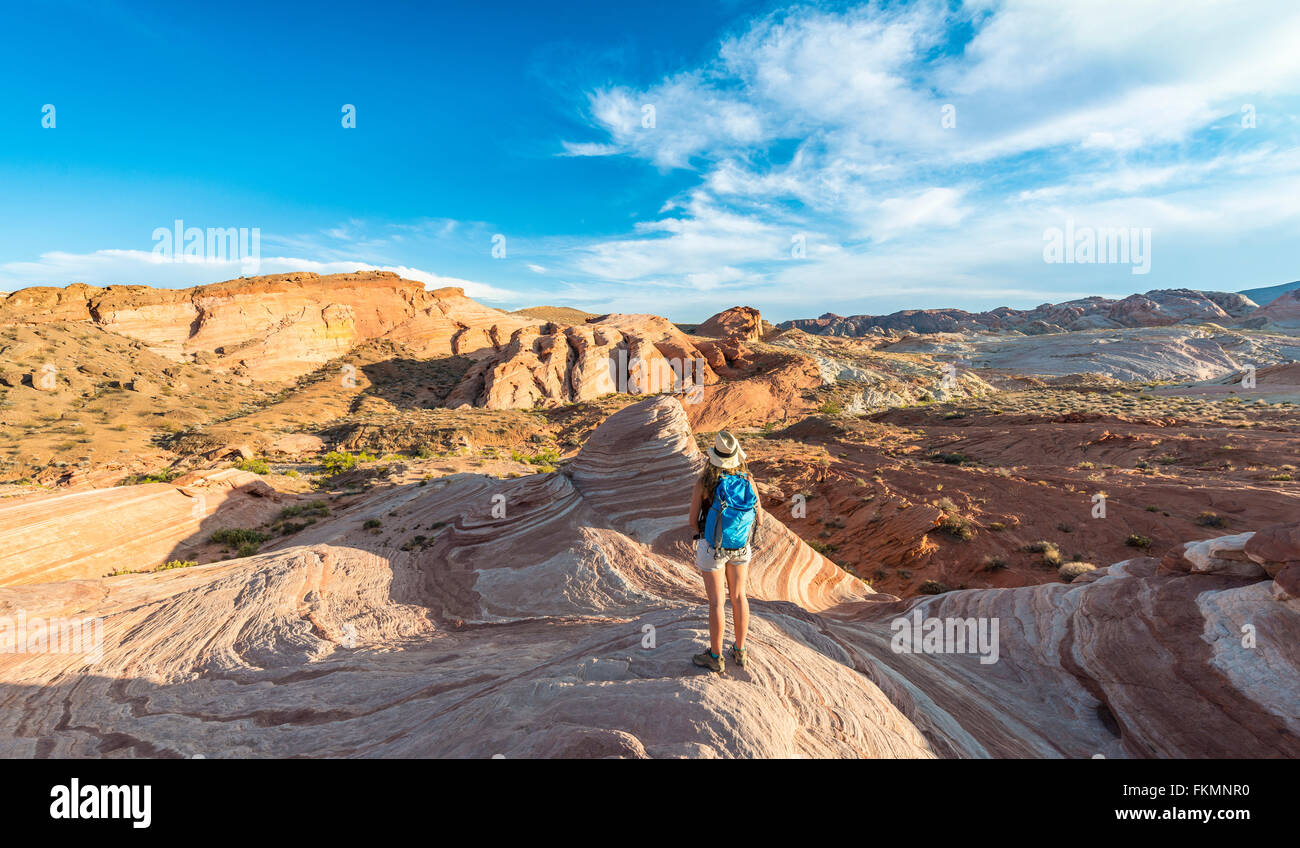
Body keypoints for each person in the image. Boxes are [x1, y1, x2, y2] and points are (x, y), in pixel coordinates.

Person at [687, 430, 763, 673]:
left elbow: (691, 521)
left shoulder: (705, 483)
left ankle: (716, 656)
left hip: (713, 549)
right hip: (741, 548)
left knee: (717, 602)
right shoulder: (747, 480)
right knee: (739, 597)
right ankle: (740, 651)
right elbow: (759, 520)